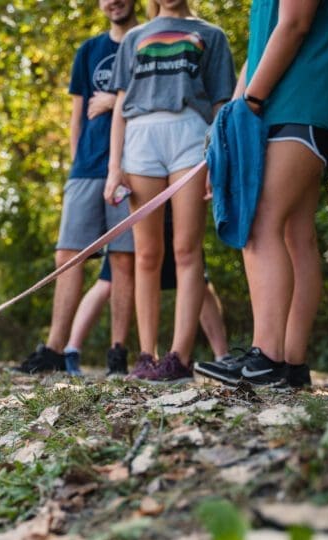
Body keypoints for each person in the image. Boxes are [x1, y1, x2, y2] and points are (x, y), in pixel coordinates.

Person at [195, 0, 328, 389]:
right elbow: (262, 46)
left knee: (259, 223)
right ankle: (291, 364)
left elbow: (294, 25)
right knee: (296, 234)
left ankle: (267, 358)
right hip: (298, 106)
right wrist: (228, 121)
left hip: (297, 104)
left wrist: (252, 100)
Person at [105, 0, 235, 383]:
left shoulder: (212, 34)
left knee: (186, 249)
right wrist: (114, 168)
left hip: (191, 136)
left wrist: (217, 157)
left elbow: (221, 104)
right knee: (146, 254)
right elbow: (119, 106)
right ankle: (147, 355)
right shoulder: (134, 38)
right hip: (141, 138)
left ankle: (179, 357)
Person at [14, 0, 139, 375]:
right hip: (86, 168)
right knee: (68, 257)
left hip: (134, 167)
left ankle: (118, 354)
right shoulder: (89, 51)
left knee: (124, 259)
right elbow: (77, 114)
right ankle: (53, 350)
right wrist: (75, 163)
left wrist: (115, 99)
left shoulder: (147, 39)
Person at [66, 215, 230, 376]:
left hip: (174, 211)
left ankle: (221, 356)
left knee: (197, 277)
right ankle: (144, 357)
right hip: (138, 216)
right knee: (110, 279)